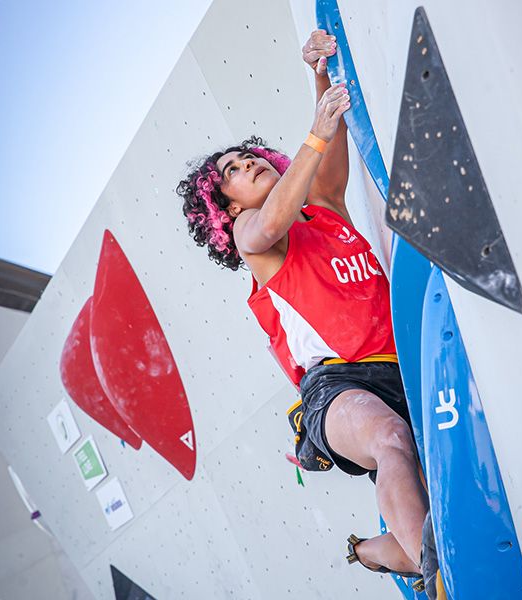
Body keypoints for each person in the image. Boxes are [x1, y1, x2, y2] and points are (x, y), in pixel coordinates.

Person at [177, 29, 434, 595]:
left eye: (249, 157)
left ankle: (375, 550)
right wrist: (314, 132)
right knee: (390, 439)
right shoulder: (254, 235)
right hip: (336, 386)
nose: (247, 166)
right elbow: (272, 219)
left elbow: (330, 146)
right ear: (226, 210)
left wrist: (318, 71)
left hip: (403, 363)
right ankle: (444, 580)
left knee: (424, 475)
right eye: (234, 173)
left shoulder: (323, 205)